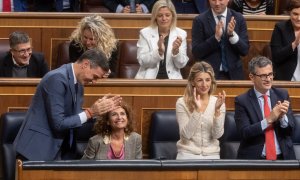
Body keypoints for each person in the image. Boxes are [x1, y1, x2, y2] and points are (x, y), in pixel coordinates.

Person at [13, 49, 122, 161]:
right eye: (94, 77)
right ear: (85, 64)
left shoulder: (79, 83)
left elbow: (75, 118)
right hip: (37, 150)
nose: (94, 82)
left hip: (60, 151)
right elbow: (59, 123)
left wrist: (99, 112)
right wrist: (91, 112)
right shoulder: (57, 78)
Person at [235, 56, 296, 160]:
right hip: (255, 159)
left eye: (270, 74)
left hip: (283, 157)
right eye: (263, 75)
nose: (268, 79)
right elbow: (244, 133)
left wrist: (282, 118)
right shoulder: (242, 101)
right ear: (251, 77)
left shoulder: (282, 95)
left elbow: (291, 129)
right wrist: (269, 119)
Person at [176, 62, 226, 159]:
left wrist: (217, 111)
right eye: (200, 80)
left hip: (212, 155)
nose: (204, 84)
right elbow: (186, 135)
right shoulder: (182, 103)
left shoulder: (218, 103)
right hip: (187, 155)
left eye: (207, 80)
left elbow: (217, 135)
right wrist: (197, 111)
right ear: (192, 82)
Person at [192, 0, 249, 80]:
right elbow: (196, 52)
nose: (217, 3)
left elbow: (244, 50)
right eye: (213, 0)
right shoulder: (200, 20)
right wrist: (216, 38)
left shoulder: (238, 18)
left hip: (234, 75)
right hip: (209, 76)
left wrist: (232, 35)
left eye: (220, 0)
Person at [135, 0, 189, 79]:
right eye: (160, 15)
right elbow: (142, 61)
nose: (164, 18)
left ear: (173, 16)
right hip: (148, 80)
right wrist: (159, 52)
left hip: (172, 80)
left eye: (167, 15)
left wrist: (176, 52)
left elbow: (181, 64)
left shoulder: (181, 34)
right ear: (155, 17)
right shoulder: (145, 33)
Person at [270, 0, 300, 81]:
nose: (299, 18)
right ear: (289, 13)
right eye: (295, 14)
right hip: (286, 78)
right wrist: (294, 44)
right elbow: (276, 56)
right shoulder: (280, 28)